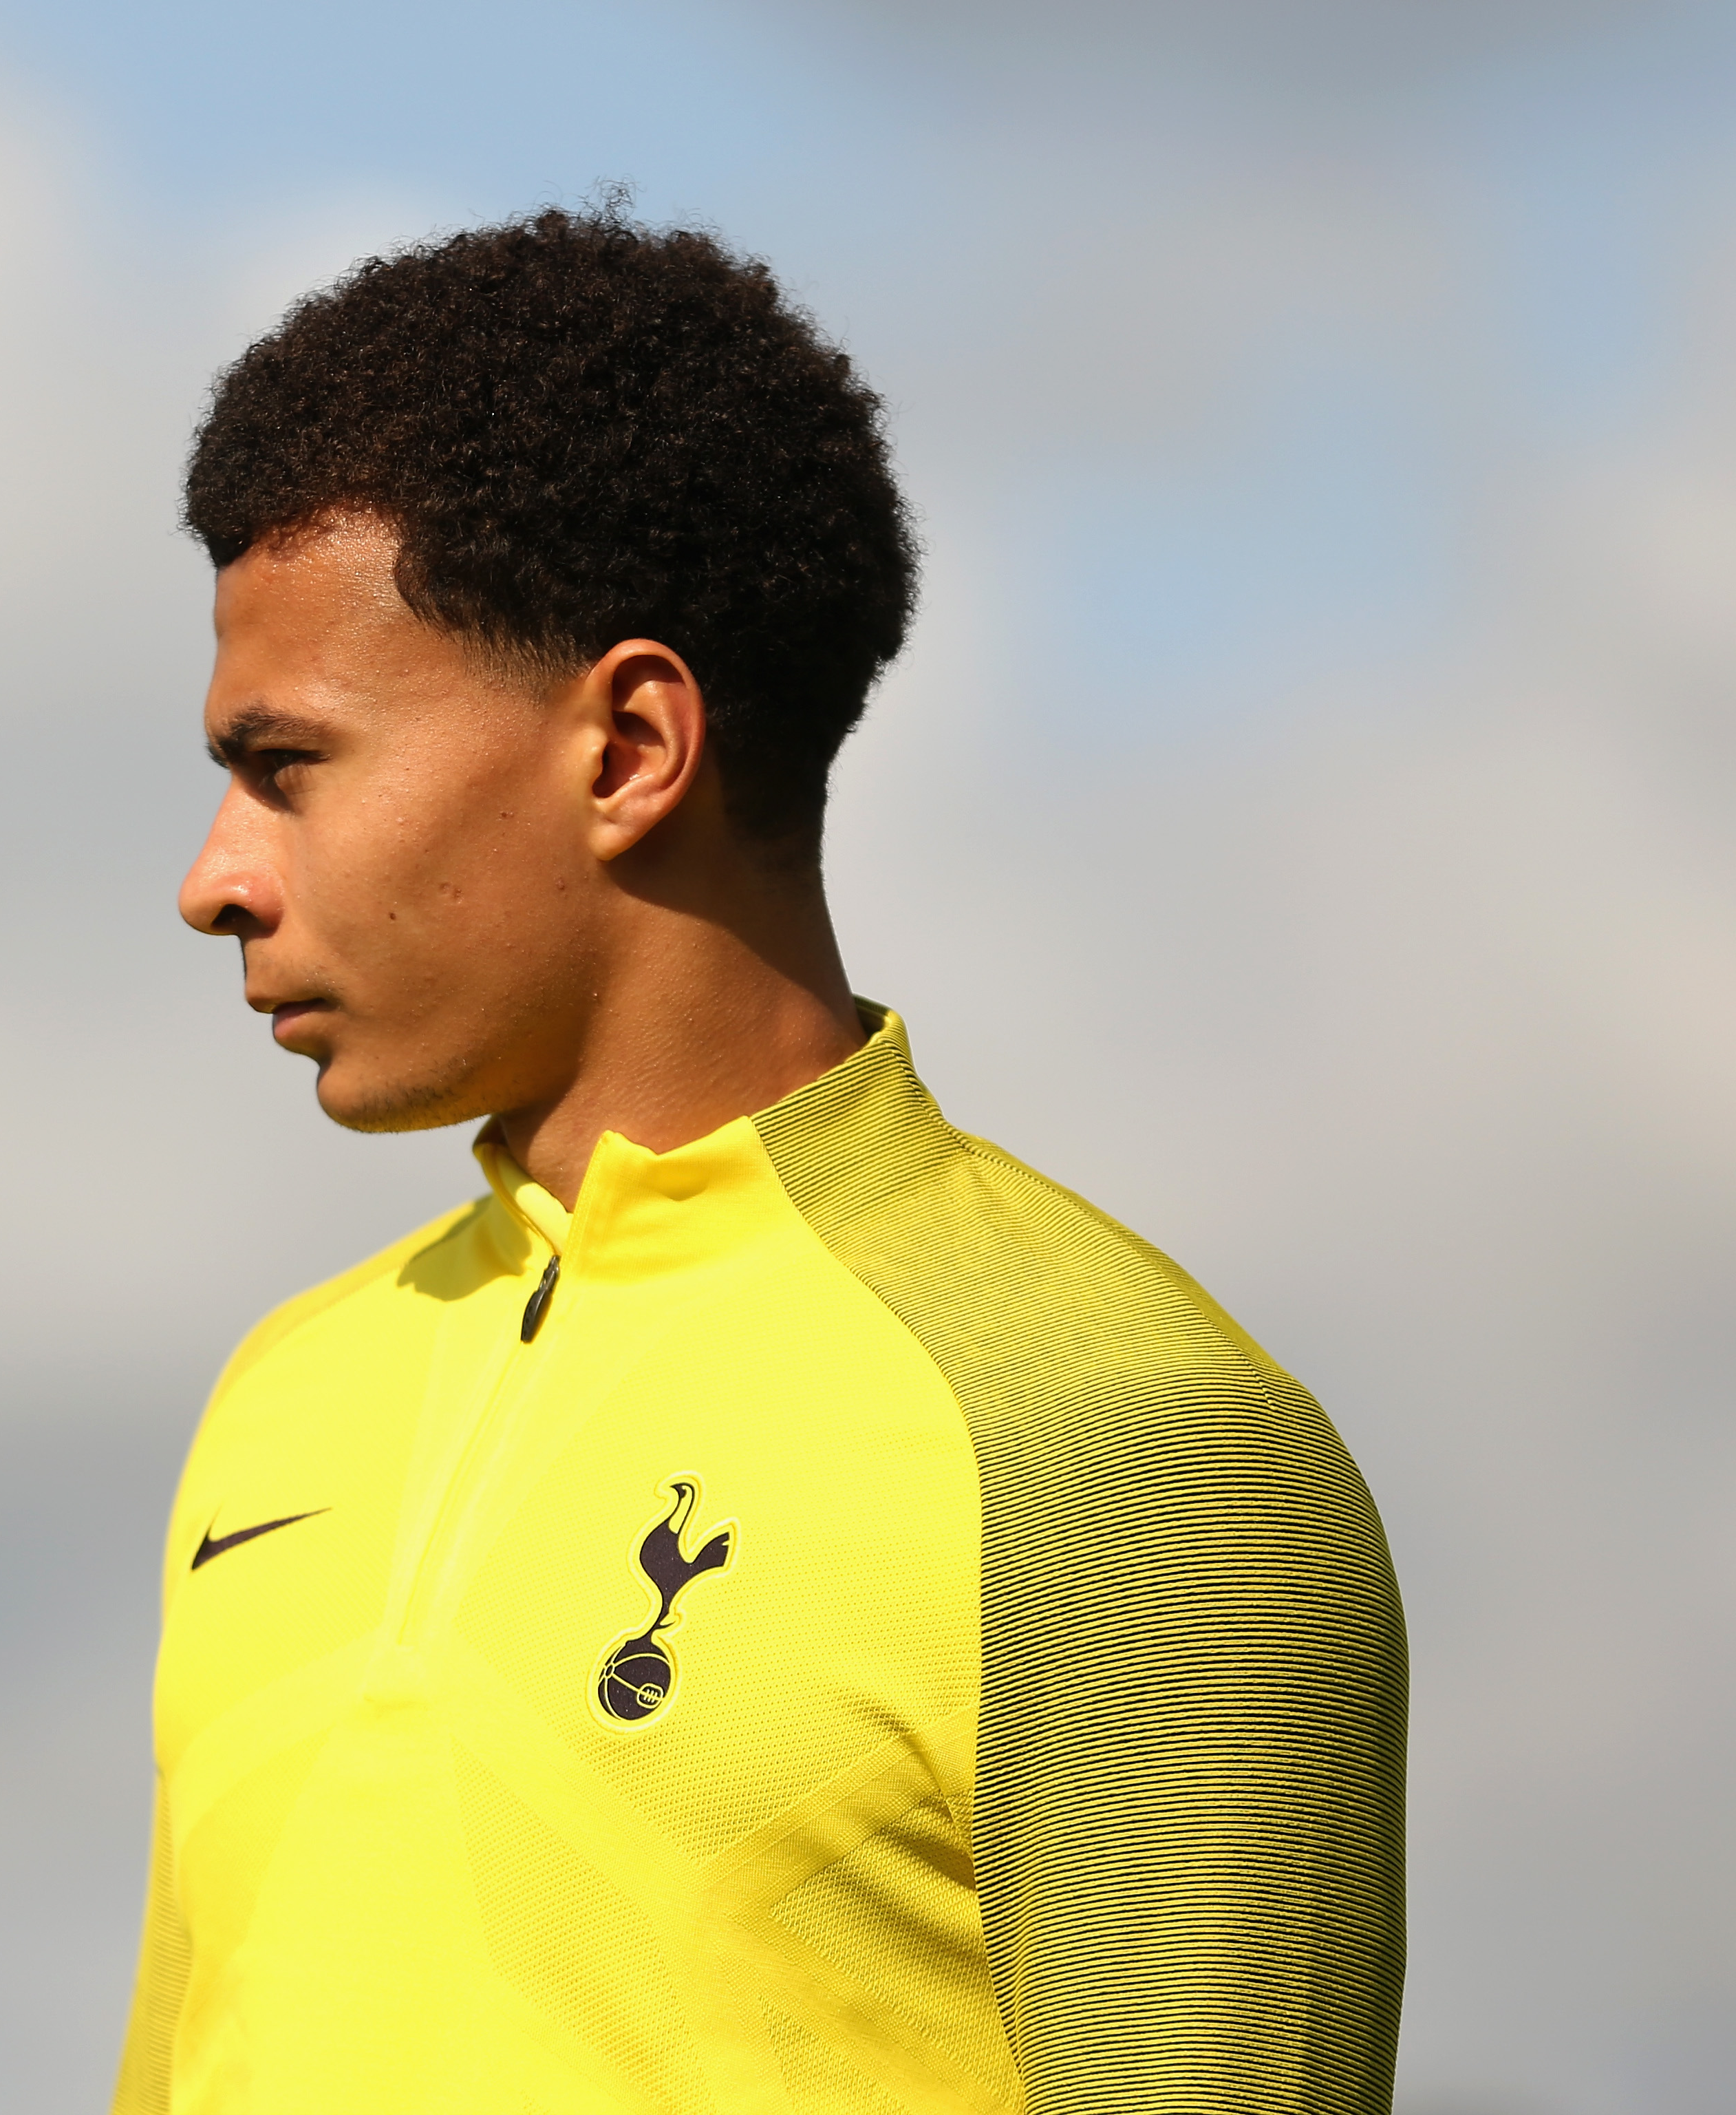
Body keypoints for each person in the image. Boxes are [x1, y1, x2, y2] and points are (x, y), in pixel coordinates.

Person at [111, 209, 1404, 2115]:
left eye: (289, 763)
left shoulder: (1128, 1439)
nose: (215, 874)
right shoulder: (275, 1402)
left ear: (631, 746)